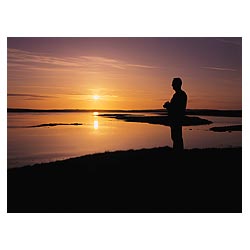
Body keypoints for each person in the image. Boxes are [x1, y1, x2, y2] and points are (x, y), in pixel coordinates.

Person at [163, 77, 187, 151]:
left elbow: (176, 108)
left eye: (173, 84)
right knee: (176, 137)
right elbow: (175, 107)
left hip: (176, 119)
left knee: (176, 137)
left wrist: (167, 105)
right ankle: (178, 152)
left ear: (177, 84)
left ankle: (178, 153)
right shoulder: (179, 94)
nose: (172, 85)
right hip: (176, 119)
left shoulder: (179, 95)